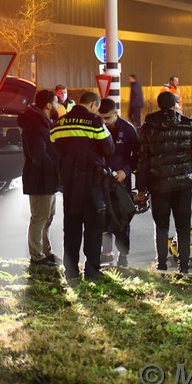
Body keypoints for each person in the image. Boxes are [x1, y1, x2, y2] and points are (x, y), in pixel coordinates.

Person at [50, 91, 115, 282]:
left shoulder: (59, 123)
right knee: (93, 227)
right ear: (94, 105)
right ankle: (92, 271)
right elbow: (109, 148)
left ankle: (71, 272)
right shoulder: (94, 122)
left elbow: (53, 148)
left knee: (71, 228)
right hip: (92, 184)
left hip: (69, 184)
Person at [137, 91, 192, 274]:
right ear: (175, 105)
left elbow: (143, 160)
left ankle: (161, 266)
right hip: (183, 185)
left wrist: (141, 188)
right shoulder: (188, 126)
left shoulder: (148, 128)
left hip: (158, 186)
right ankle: (184, 267)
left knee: (161, 226)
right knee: (183, 226)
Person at [17, 89, 60, 267]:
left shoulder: (42, 120)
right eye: (57, 102)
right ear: (48, 105)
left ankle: (45, 253)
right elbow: (39, 155)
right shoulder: (35, 124)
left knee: (47, 217)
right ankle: (37, 257)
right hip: (40, 178)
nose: (59, 105)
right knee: (40, 218)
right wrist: (57, 169)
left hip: (45, 178)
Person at [98, 98, 140, 267]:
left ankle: (123, 255)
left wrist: (126, 171)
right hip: (102, 180)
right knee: (104, 218)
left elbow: (137, 156)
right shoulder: (98, 127)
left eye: (107, 118)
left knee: (122, 219)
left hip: (122, 183)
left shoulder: (128, 129)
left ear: (116, 113)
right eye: (102, 118)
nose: (104, 122)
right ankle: (106, 253)